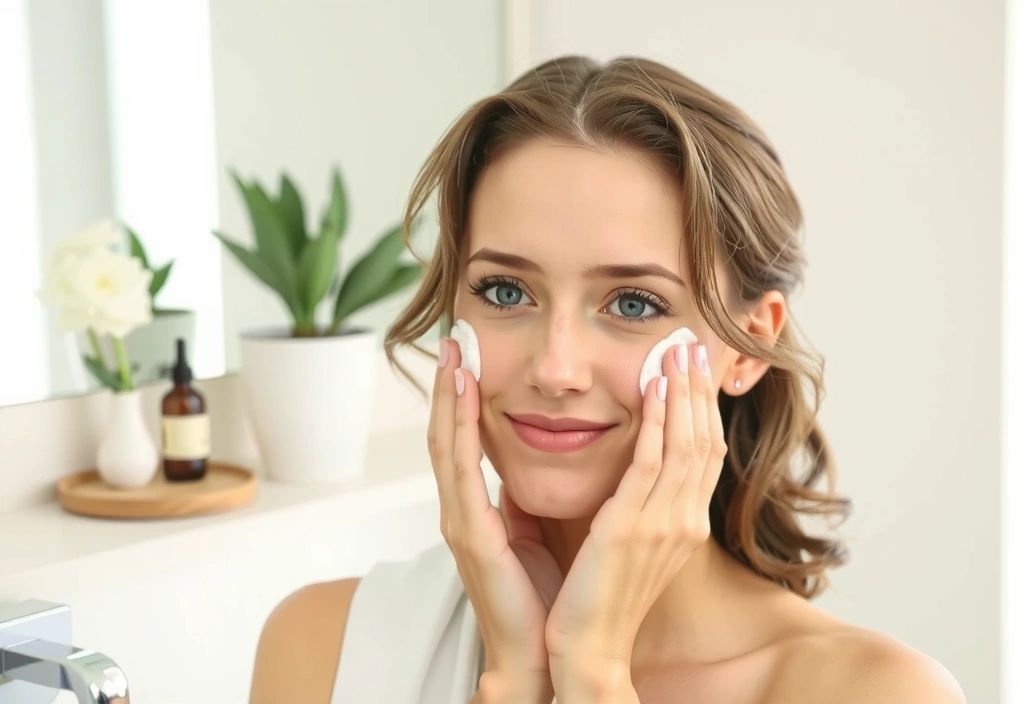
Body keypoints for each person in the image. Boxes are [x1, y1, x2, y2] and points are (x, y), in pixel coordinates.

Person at [249, 55, 965, 703]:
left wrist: (590, 676)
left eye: (632, 303)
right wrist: (515, 681)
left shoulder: (877, 693)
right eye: (504, 291)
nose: (555, 369)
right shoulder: (323, 651)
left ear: (748, 345)